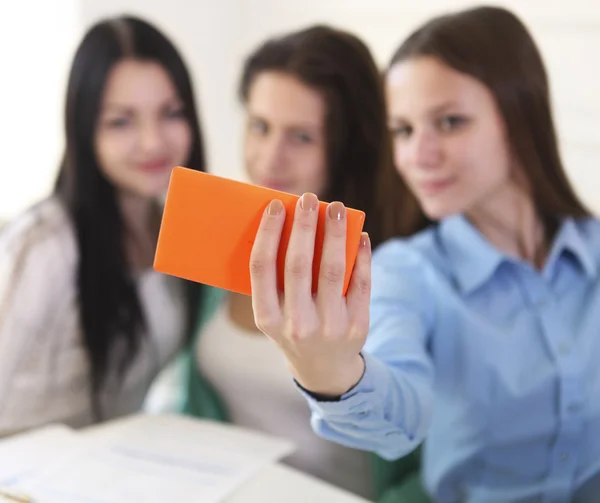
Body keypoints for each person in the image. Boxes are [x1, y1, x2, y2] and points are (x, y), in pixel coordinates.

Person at [248, 6, 600, 503]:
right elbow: (402, 418)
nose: (418, 155)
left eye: (450, 122)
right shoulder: (407, 272)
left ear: (522, 117)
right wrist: (332, 374)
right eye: (404, 131)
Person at [182, 25, 413, 501]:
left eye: (301, 137)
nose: (270, 158)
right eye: (260, 126)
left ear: (346, 147)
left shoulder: (393, 271)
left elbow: (422, 453)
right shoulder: (220, 238)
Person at [0, 15, 206, 437]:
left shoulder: (181, 232)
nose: (152, 142)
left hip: (103, 472)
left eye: (170, 113)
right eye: (121, 121)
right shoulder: (45, 245)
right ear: (84, 130)